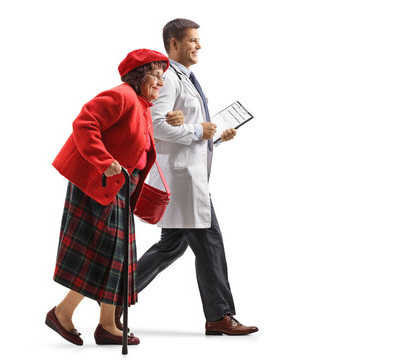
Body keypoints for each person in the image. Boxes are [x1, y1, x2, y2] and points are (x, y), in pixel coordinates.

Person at [45, 49, 182, 346]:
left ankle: (106, 324)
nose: (160, 81)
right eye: (155, 75)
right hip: (100, 181)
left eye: (163, 76)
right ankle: (63, 313)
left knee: (117, 256)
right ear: (137, 76)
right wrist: (103, 160)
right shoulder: (121, 96)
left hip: (119, 186)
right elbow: (85, 123)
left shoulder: (143, 105)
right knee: (104, 251)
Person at [136, 19, 258, 335]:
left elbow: (186, 130)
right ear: (174, 44)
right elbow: (154, 125)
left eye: (198, 40)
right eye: (192, 40)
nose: (199, 45)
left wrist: (214, 137)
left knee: (171, 246)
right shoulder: (168, 79)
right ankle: (219, 315)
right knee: (210, 242)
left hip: (188, 177)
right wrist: (196, 130)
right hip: (182, 181)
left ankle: (114, 293)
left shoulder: (186, 78)